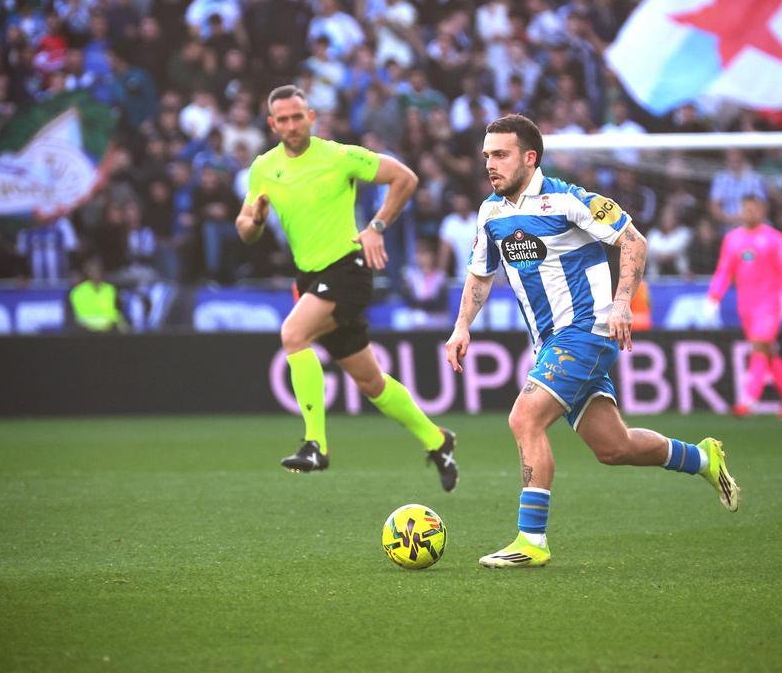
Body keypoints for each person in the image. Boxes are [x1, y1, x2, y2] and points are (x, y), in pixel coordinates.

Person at [446, 114, 738, 569]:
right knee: (614, 447)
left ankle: (532, 540)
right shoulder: (491, 213)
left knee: (524, 418)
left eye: (500, 155)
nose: (490, 164)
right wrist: (462, 325)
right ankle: (702, 458)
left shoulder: (569, 200)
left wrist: (622, 302)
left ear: (529, 157)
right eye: (486, 156)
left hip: (586, 330)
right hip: (550, 343)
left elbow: (634, 241)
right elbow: (480, 277)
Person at [237, 85, 457, 490]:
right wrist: (254, 221)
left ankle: (315, 444)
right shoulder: (263, 168)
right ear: (272, 124)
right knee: (371, 382)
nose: (290, 125)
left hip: (349, 267)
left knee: (293, 334)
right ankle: (437, 439)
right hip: (310, 278)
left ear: (312, 117)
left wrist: (376, 227)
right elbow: (245, 229)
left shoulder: (339, 155)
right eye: (281, 119)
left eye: (296, 116)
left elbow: (405, 178)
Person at [705, 195, 782, 419]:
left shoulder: (775, 239)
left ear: (763, 211)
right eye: (746, 209)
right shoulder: (732, 239)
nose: (749, 213)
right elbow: (724, 271)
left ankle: (749, 400)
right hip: (746, 307)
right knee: (768, 351)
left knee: (759, 347)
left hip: (769, 305)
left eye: (753, 209)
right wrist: (713, 297)